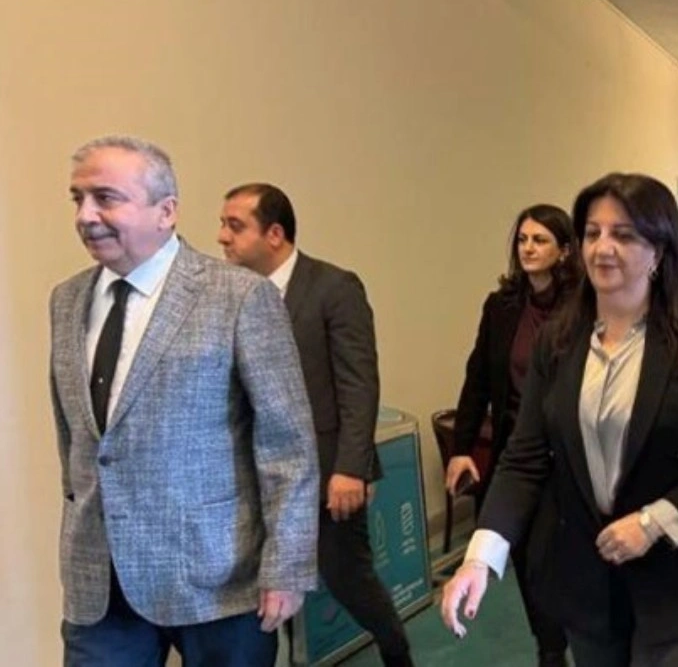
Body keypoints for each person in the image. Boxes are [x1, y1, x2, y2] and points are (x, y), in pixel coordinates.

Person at [440, 173, 678, 667]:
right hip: (588, 578)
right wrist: (480, 557)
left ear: (658, 252)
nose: (603, 248)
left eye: (624, 235)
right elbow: (524, 457)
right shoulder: (558, 343)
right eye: (592, 233)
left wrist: (654, 522)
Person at [50, 136, 318, 665]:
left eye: (106, 198)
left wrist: (287, 566)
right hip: (100, 582)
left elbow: (287, 443)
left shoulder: (239, 296)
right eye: (78, 199)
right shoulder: (67, 300)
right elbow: (74, 434)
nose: (85, 216)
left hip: (218, 579)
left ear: (166, 211)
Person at [217, 183, 414, 667]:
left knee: (349, 579)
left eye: (235, 226)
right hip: (259, 474)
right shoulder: (233, 297)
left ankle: (398, 654)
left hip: (329, 472)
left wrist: (352, 467)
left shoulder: (333, 288)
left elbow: (358, 384)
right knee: (266, 585)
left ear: (275, 234)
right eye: (222, 225)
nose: (222, 236)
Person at [445, 203, 579, 667]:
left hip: (572, 454)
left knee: (573, 555)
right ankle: (550, 649)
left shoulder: (584, 306)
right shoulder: (501, 306)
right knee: (528, 558)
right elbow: (478, 378)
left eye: (540, 240)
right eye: (522, 239)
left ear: (565, 250)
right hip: (519, 453)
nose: (528, 248)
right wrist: (461, 448)